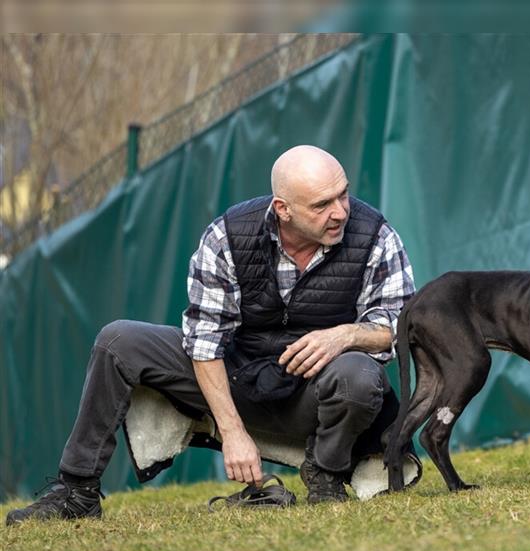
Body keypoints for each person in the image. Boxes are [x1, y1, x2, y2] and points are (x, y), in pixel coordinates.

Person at [6, 145, 415, 524]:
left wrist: (343, 336)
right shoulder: (228, 237)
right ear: (282, 209)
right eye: (322, 204)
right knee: (118, 342)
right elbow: (203, 340)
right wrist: (234, 432)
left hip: (315, 394)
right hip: (235, 380)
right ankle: (77, 493)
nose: (341, 212)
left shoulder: (374, 234)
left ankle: (325, 476)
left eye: (343, 195)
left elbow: (399, 324)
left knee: (360, 374)